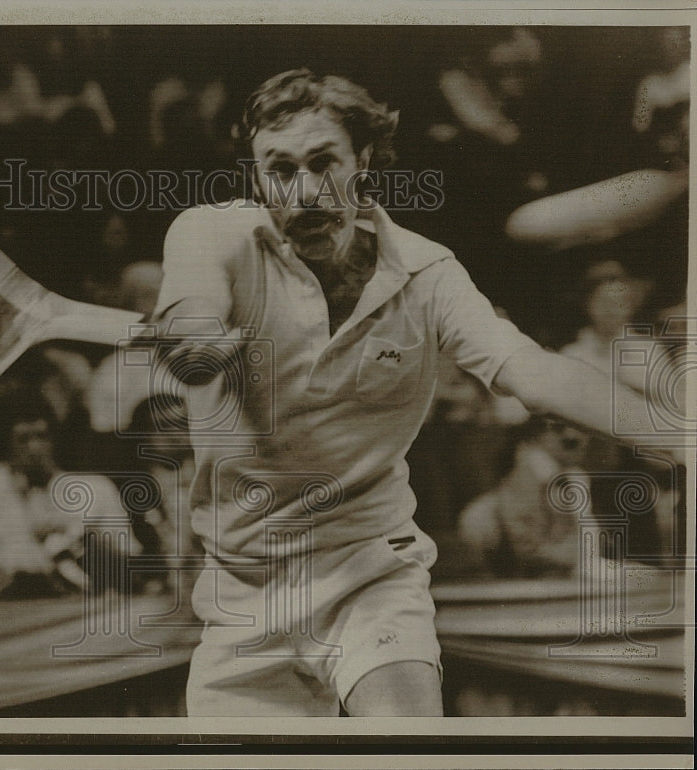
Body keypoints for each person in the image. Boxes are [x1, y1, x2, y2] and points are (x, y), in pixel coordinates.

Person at [143, 69, 683, 717]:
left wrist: (677, 431)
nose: (306, 191)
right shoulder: (210, 234)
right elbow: (194, 311)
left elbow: (531, 371)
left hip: (369, 571)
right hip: (242, 591)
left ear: (362, 160)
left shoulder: (429, 273)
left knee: (407, 747)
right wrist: (194, 335)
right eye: (280, 169)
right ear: (257, 175)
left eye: (324, 162)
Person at [0, 388, 137, 600]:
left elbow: (128, 573)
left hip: (90, 610)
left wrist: (82, 540)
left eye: (42, 436)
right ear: (3, 442)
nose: (35, 448)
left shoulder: (97, 489)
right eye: (23, 439)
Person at [457, 417, 589, 578]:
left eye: (580, 427)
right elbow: (527, 549)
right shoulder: (531, 469)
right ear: (534, 434)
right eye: (558, 428)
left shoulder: (572, 477)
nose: (572, 435)